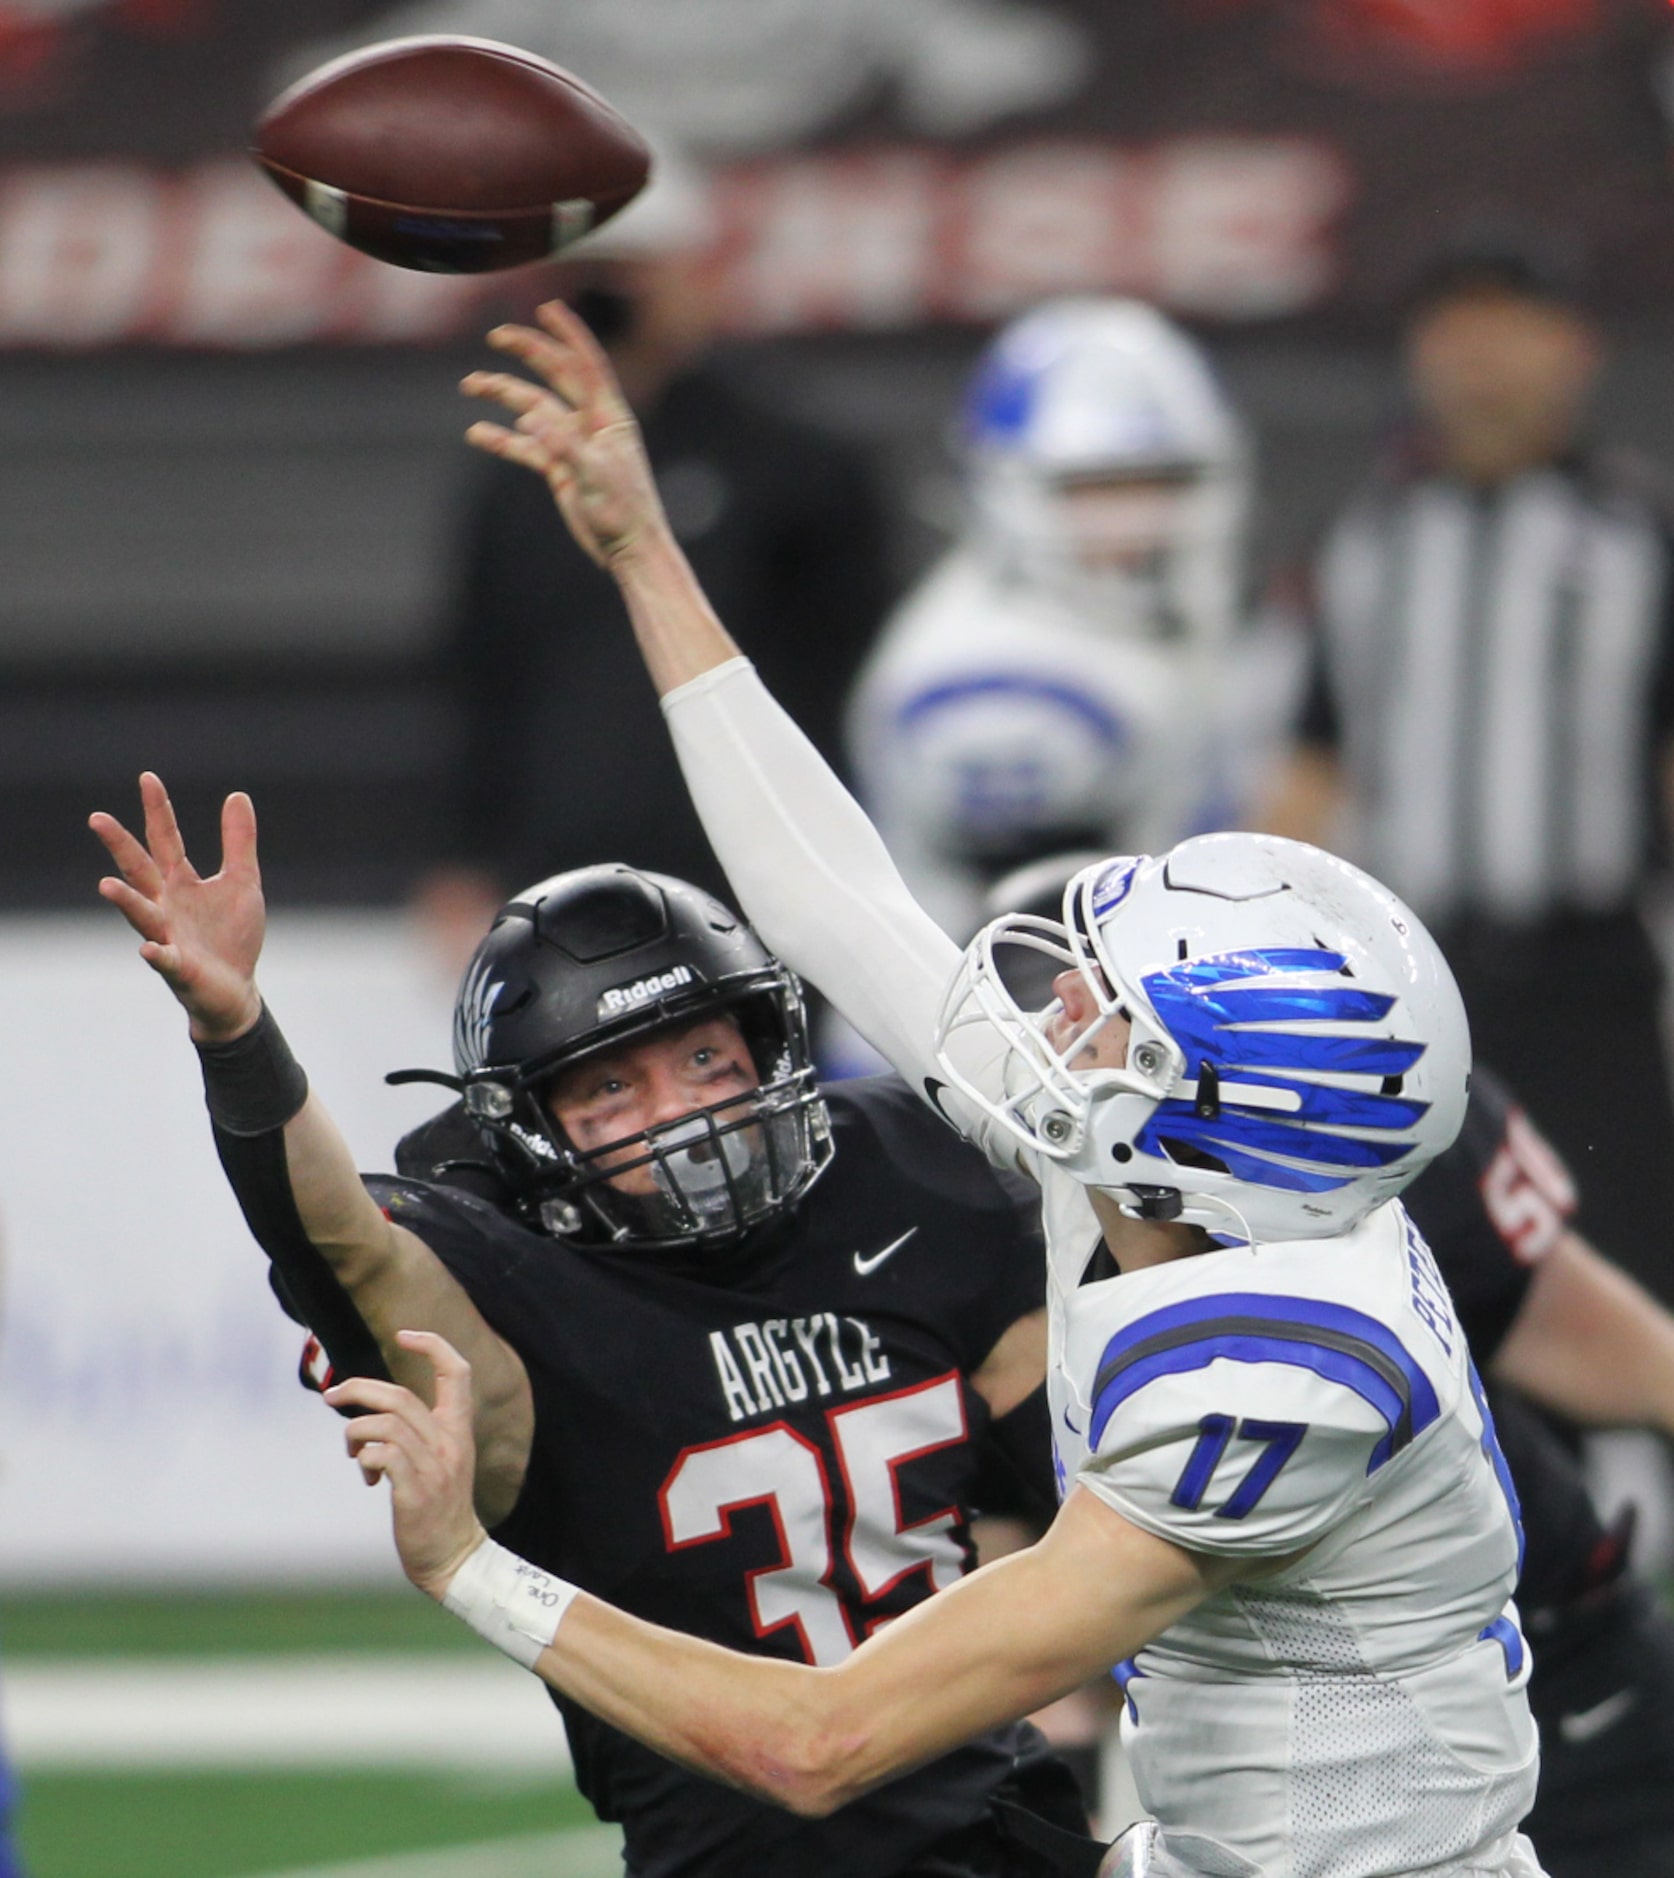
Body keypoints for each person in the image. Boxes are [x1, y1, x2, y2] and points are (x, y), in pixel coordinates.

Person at [312, 301, 1550, 1878]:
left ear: (1192, 1112)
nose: (1061, 1005)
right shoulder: (1204, 1183)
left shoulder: (1272, 1369)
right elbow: (836, 894)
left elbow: (816, 1743)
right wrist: (642, 553)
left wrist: (471, 1568)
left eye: (1111, 1008)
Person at [89, 783, 1097, 1878]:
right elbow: (349, 1243)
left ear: (771, 1047)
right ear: (531, 1135)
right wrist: (236, 1031)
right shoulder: (523, 1293)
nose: (683, 1115)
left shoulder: (910, 1174)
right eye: (612, 1086)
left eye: (706, 1058)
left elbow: (1055, 1484)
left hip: (1002, 1831)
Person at [1260, 230, 1674, 1306]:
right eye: (1454, 325)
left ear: (1575, 348)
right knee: (1437, 1283)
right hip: (1419, 986)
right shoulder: (1364, 539)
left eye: (1509, 322)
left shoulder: (1642, 533)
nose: (1479, 353)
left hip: (1599, 979)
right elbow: (1316, 763)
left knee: (1628, 1268)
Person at [415, 147, 896, 974]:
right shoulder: (513, 471)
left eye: (629, 274)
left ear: (699, 274)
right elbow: (478, 677)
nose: (603, 300)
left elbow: (859, 670)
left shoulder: (797, 461)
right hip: (559, 880)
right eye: (584, 274)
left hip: (757, 878)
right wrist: (459, 858)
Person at [846, 297, 1258, 944]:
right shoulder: (998, 684)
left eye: (1162, 482)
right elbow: (1037, 938)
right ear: (1008, 492)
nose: (1140, 520)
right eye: (1100, 489)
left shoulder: (1128, 628)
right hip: (999, 1024)